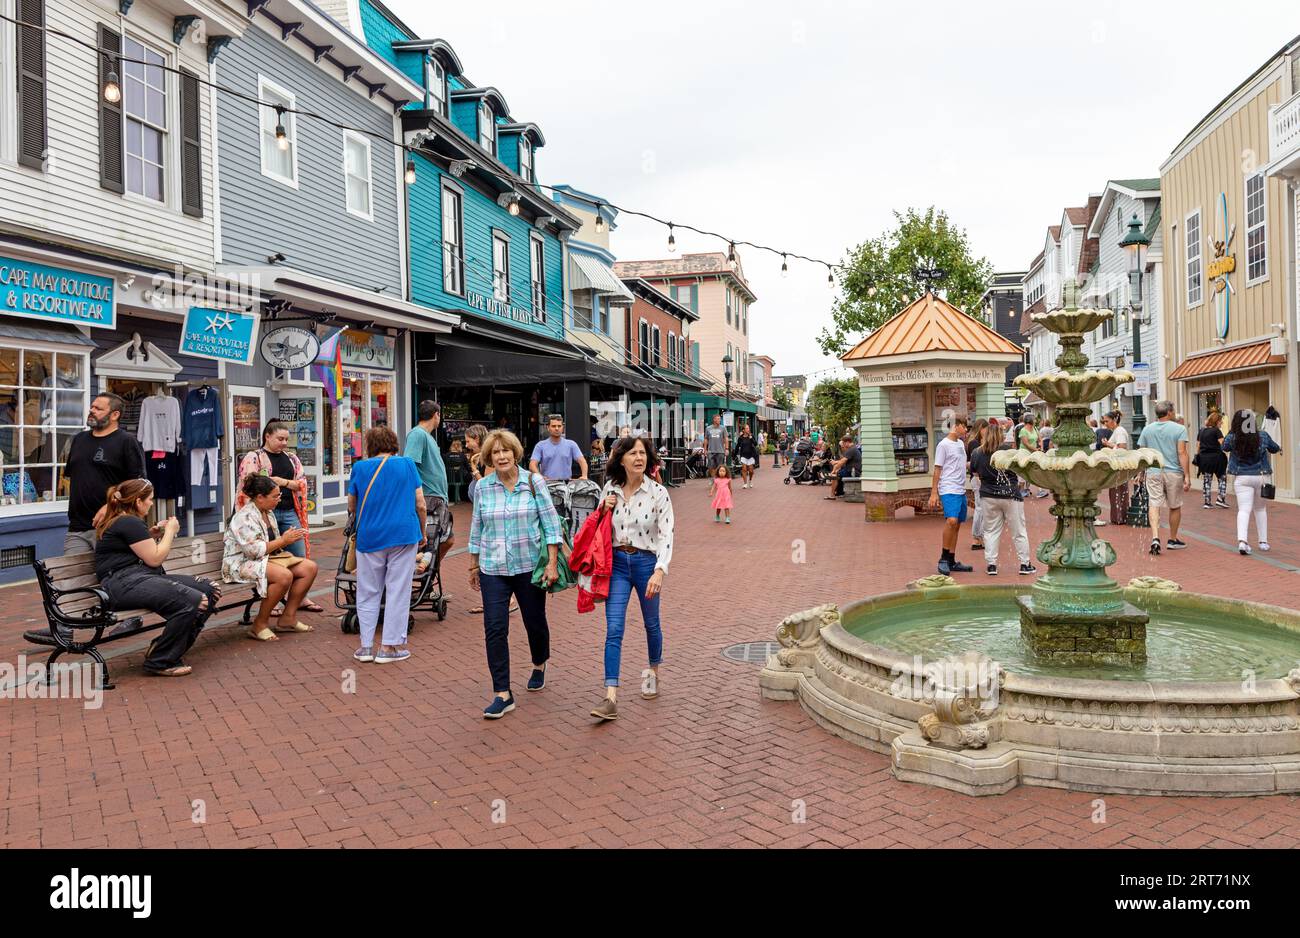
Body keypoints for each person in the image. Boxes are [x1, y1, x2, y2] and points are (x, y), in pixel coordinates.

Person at [469, 429, 563, 719]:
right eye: (495, 453)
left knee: (534, 621)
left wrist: (551, 563)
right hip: (493, 568)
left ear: (515, 452)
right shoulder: (483, 487)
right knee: (495, 628)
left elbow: (551, 525)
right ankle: (502, 693)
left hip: (528, 567)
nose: (501, 456)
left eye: (505, 451)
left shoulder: (533, 483)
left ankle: (539, 662)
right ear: (489, 457)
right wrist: (473, 564)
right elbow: (477, 527)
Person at [94, 479, 220, 677]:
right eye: (149, 500)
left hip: (136, 578)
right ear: (137, 501)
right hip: (124, 584)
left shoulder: (124, 520)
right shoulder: (128, 521)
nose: (151, 503)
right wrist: (170, 532)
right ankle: (160, 660)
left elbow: (130, 547)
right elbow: (154, 558)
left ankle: (166, 647)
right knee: (194, 600)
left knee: (209, 589)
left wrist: (151, 534)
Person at [590, 435, 674, 722]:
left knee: (652, 623)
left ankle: (653, 672)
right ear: (621, 459)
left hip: (646, 563)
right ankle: (610, 696)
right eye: (632, 453)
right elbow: (599, 528)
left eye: (643, 453)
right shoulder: (609, 489)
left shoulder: (658, 493)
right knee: (614, 627)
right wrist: (603, 509)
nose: (639, 458)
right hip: (617, 566)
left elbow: (666, 535)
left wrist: (660, 570)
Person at [347, 427, 427, 665]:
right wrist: (422, 533)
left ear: (370, 445)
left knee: (368, 590)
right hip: (403, 533)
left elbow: (352, 506)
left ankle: (365, 647)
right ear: (393, 442)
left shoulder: (359, 468)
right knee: (397, 589)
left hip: (370, 536)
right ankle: (389, 647)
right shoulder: (407, 465)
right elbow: (420, 504)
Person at [234, 420, 323, 612]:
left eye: (286, 439)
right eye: (280, 439)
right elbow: (248, 485)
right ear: (267, 436)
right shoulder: (255, 457)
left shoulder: (291, 458)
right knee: (269, 558)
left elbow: (302, 483)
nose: (284, 443)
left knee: (299, 555)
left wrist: (283, 482)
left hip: (289, 510)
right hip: (265, 515)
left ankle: (300, 597)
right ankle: (272, 600)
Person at [223, 474, 318, 641]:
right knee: (284, 576)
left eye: (279, 495)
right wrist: (283, 540)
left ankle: (288, 618)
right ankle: (259, 624)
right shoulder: (244, 517)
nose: (278, 500)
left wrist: (286, 539)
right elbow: (253, 551)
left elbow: (270, 544)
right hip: (240, 563)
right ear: (260, 497)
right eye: (275, 496)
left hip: (263, 559)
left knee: (309, 568)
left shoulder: (268, 512)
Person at [64, 392, 146, 554]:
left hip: (112, 526)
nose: (92, 410)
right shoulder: (79, 439)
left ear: (115, 415)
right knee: (71, 578)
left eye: (98, 408)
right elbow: (74, 478)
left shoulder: (127, 441)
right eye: (92, 407)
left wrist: (111, 505)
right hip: (77, 528)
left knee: (110, 577)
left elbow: (139, 486)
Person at [969, 421, 1035, 576]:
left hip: (988, 496)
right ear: (1000, 435)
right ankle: (1024, 564)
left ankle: (992, 565)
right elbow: (1021, 469)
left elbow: (975, 473)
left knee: (991, 531)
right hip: (1010, 495)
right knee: (1018, 531)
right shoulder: (1009, 451)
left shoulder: (977, 453)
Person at [405, 401, 456, 583]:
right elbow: (409, 465)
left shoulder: (426, 436)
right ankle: (421, 577)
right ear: (436, 415)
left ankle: (429, 575)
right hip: (428, 498)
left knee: (446, 540)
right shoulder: (417, 434)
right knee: (428, 543)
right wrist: (418, 497)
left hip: (436, 498)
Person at [1223, 409, 1282, 556]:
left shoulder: (1233, 437)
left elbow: (1224, 447)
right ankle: (1263, 542)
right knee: (1260, 509)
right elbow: (1274, 448)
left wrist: (1232, 432)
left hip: (1242, 477)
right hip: (1261, 476)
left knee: (1244, 509)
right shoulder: (1262, 435)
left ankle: (1242, 541)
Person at [1137, 400, 1191, 556]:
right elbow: (1182, 452)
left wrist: (1141, 472)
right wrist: (1187, 475)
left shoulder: (1147, 429)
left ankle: (1155, 537)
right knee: (1174, 506)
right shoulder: (1179, 429)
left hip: (1153, 471)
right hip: (1173, 472)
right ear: (1169, 412)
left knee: (1154, 503)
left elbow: (1143, 453)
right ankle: (1172, 540)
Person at [929, 417, 972, 575]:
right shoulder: (943, 445)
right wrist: (934, 493)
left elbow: (961, 464)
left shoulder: (961, 444)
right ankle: (943, 559)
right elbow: (938, 469)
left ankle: (952, 560)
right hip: (948, 488)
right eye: (964, 427)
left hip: (961, 489)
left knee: (958, 524)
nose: (966, 430)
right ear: (956, 426)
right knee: (951, 521)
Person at [529, 414, 588, 482]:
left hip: (566, 484)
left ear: (562, 428)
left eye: (559, 426)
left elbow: (582, 461)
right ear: (548, 427)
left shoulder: (571, 444)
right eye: (553, 426)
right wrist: (540, 477)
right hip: (547, 484)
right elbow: (532, 465)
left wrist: (584, 475)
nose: (557, 428)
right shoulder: (540, 445)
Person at [1195, 412, 1229, 510]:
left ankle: (1207, 502)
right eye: (1220, 421)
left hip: (1204, 459)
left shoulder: (1201, 430)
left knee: (1207, 479)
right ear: (1216, 421)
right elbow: (1223, 444)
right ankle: (1220, 499)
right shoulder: (1216, 431)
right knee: (1222, 478)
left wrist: (1198, 456)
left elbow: (1198, 445)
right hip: (1217, 458)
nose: (1221, 423)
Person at [1101, 411, 1131, 525]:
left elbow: (1122, 447)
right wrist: (1108, 444)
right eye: (1104, 421)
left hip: (1119, 465)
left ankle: (1120, 517)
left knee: (1118, 491)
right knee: (1116, 491)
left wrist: (1109, 445)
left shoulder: (1120, 431)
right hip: (1116, 465)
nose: (1105, 424)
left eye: (1107, 421)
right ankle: (1118, 517)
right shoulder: (1117, 431)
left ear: (1114, 420)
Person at [965, 418, 989, 547]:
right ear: (981, 429)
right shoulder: (974, 443)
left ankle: (980, 536)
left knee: (982, 507)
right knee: (979, 508)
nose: (987, 432)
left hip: (979, 478)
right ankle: (976, 537)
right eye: (986, 429)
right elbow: (976, 461)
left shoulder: (975, 442)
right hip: (977, 478)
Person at [825, 436, 862, 500]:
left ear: (847, 442)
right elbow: (843, 461)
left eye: (844, 443)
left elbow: (842, 462)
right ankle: (840, 492)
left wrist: (834, 470)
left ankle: (832, 495)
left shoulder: (851, 450)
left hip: (853, 471)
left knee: (835, 475)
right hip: (853, 470)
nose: (843, 445)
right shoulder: (853, 448)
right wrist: (836, 463)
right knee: (839, 472)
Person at [734, 424, 760, 488]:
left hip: (751, 455)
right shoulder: (740, 438)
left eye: (748, 428)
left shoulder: (751, 436)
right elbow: (737, 446)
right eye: (747, 428)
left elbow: (755, 444)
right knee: (744, 469)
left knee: (751, 471)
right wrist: (734, 454)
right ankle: (745, 483)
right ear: (743, 430)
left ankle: (750, 480)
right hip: (743, 455)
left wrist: (751, 438)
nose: (748, 429)